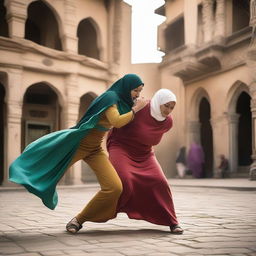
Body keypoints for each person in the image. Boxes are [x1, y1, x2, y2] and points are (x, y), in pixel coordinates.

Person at [9, 73, 148, 234]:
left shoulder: (124, 102)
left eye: (140, 91)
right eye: (135, 90)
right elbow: (116, 121)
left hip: (95, 149)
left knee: (115, 188)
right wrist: (136, 109)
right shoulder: (111, 98)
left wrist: (139, 110)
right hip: (78, 145)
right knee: (50, 167)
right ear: (126, 87)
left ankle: (78, 220)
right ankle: (23, 173)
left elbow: (128, 121)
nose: (137, 94)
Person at [107, 88, 183, 234]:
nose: (168, 110)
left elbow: (150, 139)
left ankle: (172, 222)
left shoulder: (168, 122)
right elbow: (117, 122)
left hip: (145, 154)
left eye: (172, 108)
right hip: (121, 147)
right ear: (159, 101)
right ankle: (89, 216)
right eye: (166, 105)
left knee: (160, 182)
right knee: (124, 180)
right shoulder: (142, 106)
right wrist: (134, 108)